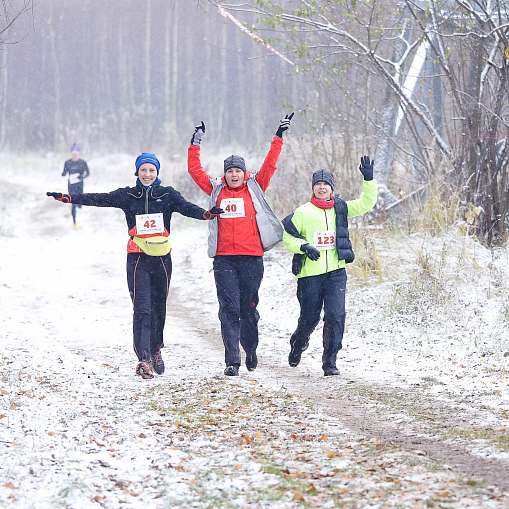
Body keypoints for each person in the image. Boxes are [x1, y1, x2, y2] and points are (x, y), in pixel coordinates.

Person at [47, 153, 223, 379]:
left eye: (151, 170)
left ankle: (156, 348)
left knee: (159, 307)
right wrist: (69, 198)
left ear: (157, 172)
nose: (147, 175)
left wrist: (206, 214)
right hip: (137, 259)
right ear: (137, 172)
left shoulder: (167, 194)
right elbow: (99, 198)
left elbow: (187, 207)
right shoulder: (128, 195)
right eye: (143, 170)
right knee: (142, 308)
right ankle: (144, 359)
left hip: (161, 259)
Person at [187, 115, 293, 376]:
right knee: (228, 309)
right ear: (224, 174)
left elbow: (270, 164)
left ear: (244, 173)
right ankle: (232, 360)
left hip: (251, 258)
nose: (234, 174)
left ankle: (251, 348)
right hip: (223, 259)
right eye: (229, 171)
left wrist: (278, 136)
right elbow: (194, 170)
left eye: (238, 171)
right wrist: (195, 142)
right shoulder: (215, 189)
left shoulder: (255, 187)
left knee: (248, 309)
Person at [282, 157, 378, 376]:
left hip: (336, 273)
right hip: (310, 276)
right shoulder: (303, 212)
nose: (322, 187)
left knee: (335, 316)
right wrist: (304, 246)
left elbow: (366, 203)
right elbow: (288, 237)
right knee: (309, 318)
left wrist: (369, 179)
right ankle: (299, 342)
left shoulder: (341, 209)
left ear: (332, 189)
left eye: (326, 184)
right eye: (318, 184)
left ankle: (330, 361)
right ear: (313, 188)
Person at [62, 143, 90, 228]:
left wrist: (82, 176)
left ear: (78, 152)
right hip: (71, 186)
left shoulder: (83, 162)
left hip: (80, 185)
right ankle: (74, 222)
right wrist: (63, 173)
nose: (75, 153)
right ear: (71, 152)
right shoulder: (67, 162)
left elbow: (88, 173)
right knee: (73, 203)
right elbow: (64, 172)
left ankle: (79, 205)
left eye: (76, 151)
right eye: (73, 151)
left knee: (79, 203)